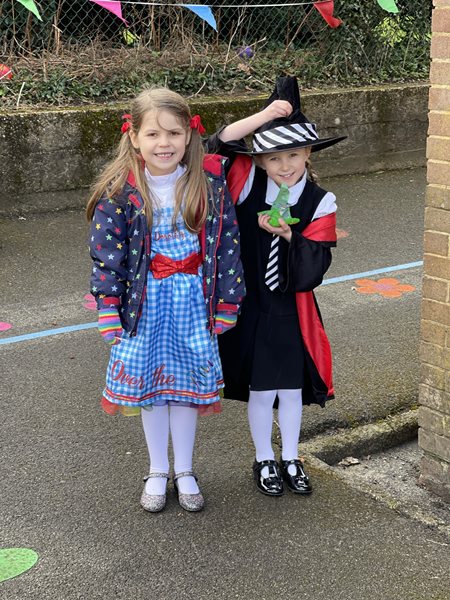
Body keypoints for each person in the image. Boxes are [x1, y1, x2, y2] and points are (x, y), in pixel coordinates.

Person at [87, 87, 245, 513]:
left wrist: (228, 301)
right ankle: (158, 469)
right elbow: (107, 256)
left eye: (174, 133)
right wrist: (108, 307)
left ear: (189, 135)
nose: (164, 143)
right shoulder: (120, 192)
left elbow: (228, 245)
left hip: (193, 301)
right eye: (153, 134)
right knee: (152, 391)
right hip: (144, 306)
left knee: (186, 389)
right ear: (134, 137)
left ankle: (185, 470)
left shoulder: (208, 184)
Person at [206, 76, 346, 497]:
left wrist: (288, 235)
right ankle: (264, 457)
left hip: (291, 310)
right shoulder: (247, 182)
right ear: (261, 161)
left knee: (291, 389)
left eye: (294, 155)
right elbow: (217, 146)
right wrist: (265, 116)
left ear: (308, 154)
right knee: (261, 389)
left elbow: (316, 266)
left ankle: (292, 456)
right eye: (274, 158)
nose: (285, 166)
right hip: (250, 306)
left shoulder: (320, 201)